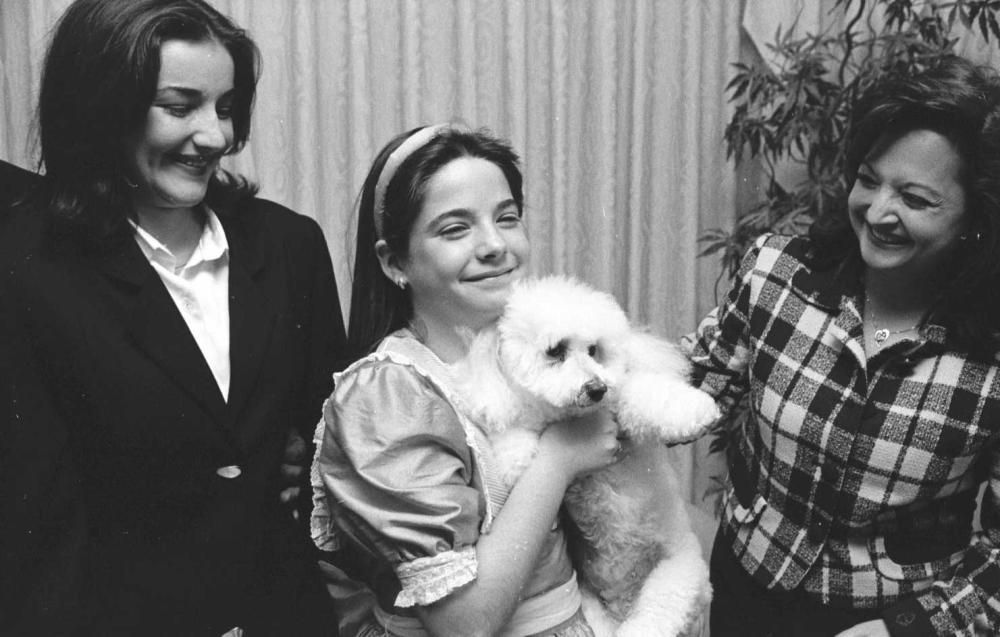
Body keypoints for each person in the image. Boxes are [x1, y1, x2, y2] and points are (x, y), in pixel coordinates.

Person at [0, 0, 346, 634]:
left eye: (225, 105)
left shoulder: (291, 246)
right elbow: (38, 521)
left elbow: (330, 445)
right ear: (104, 109)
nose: (215, 135)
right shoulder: (29, 272)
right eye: (180, 106)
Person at [685, 55, 1000, 636]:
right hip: (743, 585)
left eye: (916, 198)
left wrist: (902, 629)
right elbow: (692, 387)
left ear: (975, 221)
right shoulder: (777, 273)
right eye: (869, 179)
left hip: (890, 621)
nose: (878, 212)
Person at [310, 124, 622, 637]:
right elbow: (463, 623)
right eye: (456, 229)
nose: (495, 244)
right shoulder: (388, 396)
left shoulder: (533, 353)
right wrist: (559, 459)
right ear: (394, 262)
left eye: (507, 218)